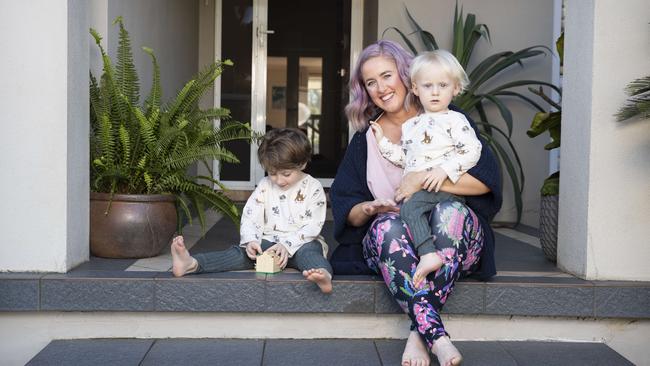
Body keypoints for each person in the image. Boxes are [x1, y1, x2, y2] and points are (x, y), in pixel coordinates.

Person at [330, 40, 501, 366]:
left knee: (450, 213)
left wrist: (421, 179)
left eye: (386, 75)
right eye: (370, 82)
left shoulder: (448, 117)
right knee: (386, 226)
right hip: (396, 243)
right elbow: (345, 207)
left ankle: (419, 333)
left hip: (454, 240)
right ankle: (435, 336)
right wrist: (366, 209)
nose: (380, 88)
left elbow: (486, 181)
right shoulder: (367, 138)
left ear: (406, 76)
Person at [370, 50, 482, 288]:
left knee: (409, 209)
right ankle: (423, 273)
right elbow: (406, 159)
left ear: (455, 89)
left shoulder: (455, 120)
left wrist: (444, 171)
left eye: (443, 85)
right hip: (425, 193)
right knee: (408, 211)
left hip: (445, 191)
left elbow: (472, 150)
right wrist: (382, 142)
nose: (435, 92)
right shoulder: (412, 126)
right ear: (415, 88)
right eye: (428, 85)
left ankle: (428, 254)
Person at [171, 128, 333, 293]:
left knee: (311, 253)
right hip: (269, 243)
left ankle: (323, 275)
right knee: (239, 254)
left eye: (286, 174)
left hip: (301, 244)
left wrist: (286, 245)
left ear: (302, 164)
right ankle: (191, 264)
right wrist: (251, 241)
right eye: (272, 173)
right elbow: (251, 216)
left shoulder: (313, 187)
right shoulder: (265, 185)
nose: (278, 180)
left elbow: (313, 225)